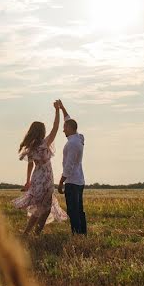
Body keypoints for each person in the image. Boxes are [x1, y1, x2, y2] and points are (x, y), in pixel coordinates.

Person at [11, 102, 68, 235]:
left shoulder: (31, 147)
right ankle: (36, 233)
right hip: (46, 178)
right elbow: (56, 127)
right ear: (42, 132)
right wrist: (57, 110)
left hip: (36, 178)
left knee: (38, 208)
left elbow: (30, 164)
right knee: (46, 208)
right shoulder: (45, 143)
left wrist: (28, 181)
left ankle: (27, 232)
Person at [56, 99, 87, 235]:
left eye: (64, 128)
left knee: (73, 210)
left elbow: (68, 166)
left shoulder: (73, 144)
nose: (63, 130)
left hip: (72, 181)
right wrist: (62, 108)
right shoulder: (79, 138)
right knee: (78, 209)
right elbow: (70, 121)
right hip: (79, 181)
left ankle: (77, 234)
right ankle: (82, 233)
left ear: (69, 129)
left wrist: (61, 181)